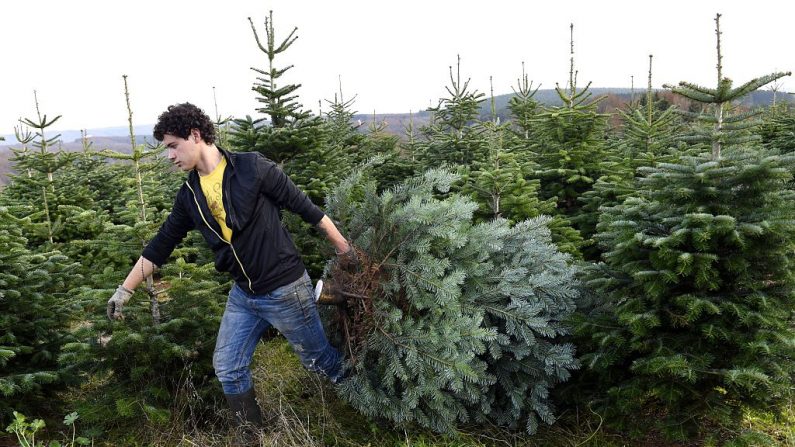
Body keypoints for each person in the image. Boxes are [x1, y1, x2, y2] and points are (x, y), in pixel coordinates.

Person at [106, 102, 353, 429]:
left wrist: (347, 253)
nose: (169, 156)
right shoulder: (190, 194)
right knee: (228, 366)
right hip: (244, 296)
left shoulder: (252, 168)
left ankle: (370, 398)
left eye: (173, 146)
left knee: (318, 359)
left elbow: (306, 209)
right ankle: (251, 434)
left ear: (195, 135)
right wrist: (124, 290)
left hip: (286, 289)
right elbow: (161, 245)